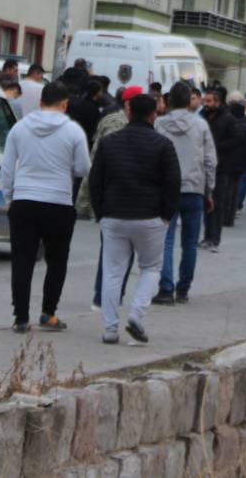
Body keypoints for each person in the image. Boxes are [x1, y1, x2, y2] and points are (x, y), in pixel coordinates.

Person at [89, 94, 181, 344]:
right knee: (151, 267)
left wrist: (101, 212)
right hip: (150, 217)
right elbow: (173, 183)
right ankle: (136, 314)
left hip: (114, 215)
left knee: (112, 272)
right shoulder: (163, 145)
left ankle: (109, 329)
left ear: (128, 113)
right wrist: (166, 215)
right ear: (154, 115)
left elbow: (95, 181)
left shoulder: (109, 143)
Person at [0, 83, 90, 333]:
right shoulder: (73, 131)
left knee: (22, 261)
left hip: (24, 200)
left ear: (40, 102)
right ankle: (49, 313)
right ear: (65, 104)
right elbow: (83, 168)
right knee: (57, 260)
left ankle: (20, 317)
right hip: (59, 202)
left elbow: (7, 168)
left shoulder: (19, 128)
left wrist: (9, 197)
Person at [79, 86, 143, 310]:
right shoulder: (116, 123)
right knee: (114, 252)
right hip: (115, 197)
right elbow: (97, 161)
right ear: (128, 104)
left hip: (120, 198)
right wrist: (91, 201)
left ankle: (112, 295)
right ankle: (103, 296)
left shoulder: (129, 122)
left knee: (120, 252)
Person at [153, 82, 217, 305]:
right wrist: (209, 191)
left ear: (169, 101)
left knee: (166, 241)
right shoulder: (201, 126)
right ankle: (183, 289)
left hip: (166, 189)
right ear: (191, 100)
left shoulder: (159, 124)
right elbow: (210, 161)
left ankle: (165, 288)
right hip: (194, 188)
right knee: (190, 243)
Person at [200, 88, 233, 251]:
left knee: (218, 204)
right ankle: (206, 237)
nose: (206, 104)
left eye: (209, 101)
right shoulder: (203, 118)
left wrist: (215, 148)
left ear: (218, 103)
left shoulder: (227, 119)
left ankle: (215, 239)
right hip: (205, 167)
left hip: (221, 167)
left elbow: (237, 139)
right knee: (207, 203)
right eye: (205, 101)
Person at [221, 101, 246, 226]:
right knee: (235, 189)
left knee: (227, 189)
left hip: (229, 162)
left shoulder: (232, 127)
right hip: (242, 163)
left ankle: (225, 215)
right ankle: (230, 216)